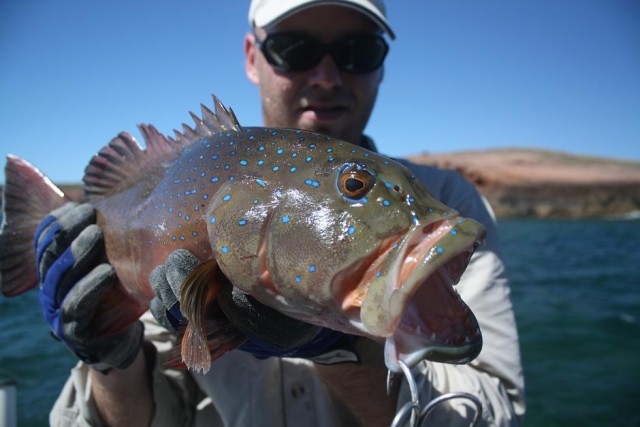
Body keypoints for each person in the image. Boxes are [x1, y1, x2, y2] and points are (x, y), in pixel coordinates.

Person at [39, 1, 525, 426]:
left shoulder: (444, 199)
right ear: (253, 57)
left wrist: (347, 355)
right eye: (295, 49)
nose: (327, 76)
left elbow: (495, 413)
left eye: (358, 50)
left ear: (382, 63)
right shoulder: (181, 215)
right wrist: (113, 359)